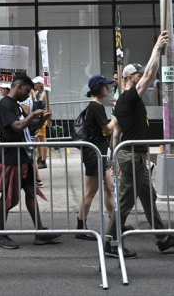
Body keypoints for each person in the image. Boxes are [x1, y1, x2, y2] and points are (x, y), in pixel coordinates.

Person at [105, 31, 174, 259]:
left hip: (132, 155)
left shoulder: (125, 101)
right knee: (125, 202)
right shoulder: (130, 97)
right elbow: (151, 74)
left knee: (148, 198)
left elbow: (117, 133)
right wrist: (156, 48)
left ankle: (163, 239)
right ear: (130, 78)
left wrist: (114, 157)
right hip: (133, 157)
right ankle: (109, 242)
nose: (143, 78)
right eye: (138, 75)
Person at [0, 74, 61, 249]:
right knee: (7, 195)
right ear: (19, 86)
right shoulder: (5, 104)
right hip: (11, 158)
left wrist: (42, 119)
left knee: (30, 192)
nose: (29, 95)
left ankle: (40, 231)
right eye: (28, 91)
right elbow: (18, 126)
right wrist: (33, 114)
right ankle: (0, 234)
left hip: (23, 156)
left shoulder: (15, 105)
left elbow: (29, 126)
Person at [76, 75, 116, 240]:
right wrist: (117, 117)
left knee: (110, 188)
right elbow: (107, 129)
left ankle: (115, 223)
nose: (108, 88)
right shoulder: (95, 107)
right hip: (95, 154)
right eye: (105, 86)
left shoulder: (96, 106)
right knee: (90, 192)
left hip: (99, 153)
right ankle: (80, 228)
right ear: (98, 88)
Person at [30, 77, 49, 170]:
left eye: (35, 83)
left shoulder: (43, 93)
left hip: (43, 117)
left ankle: (43, 160)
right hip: (38, 117)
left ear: (40, 84)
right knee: (37, 138)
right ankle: (40, 157)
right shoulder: (38, 93)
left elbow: (39, 106)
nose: (34, 85)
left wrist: (34, 96)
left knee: (42, 137)